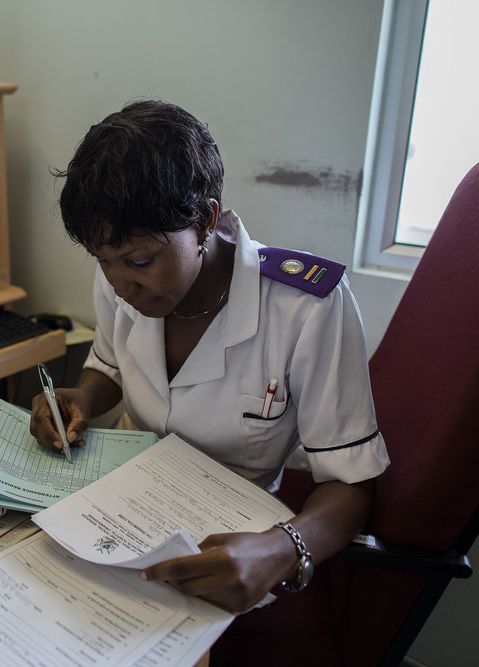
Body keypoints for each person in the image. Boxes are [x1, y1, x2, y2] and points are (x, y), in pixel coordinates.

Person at [29, 99, 390, 615]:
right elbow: (109, 366)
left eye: (139, 261)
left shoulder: (306, 307)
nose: (119, 283)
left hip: (223, 544)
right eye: (102, 261)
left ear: (204, 222)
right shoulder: (119, 268)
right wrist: (81, 397)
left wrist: (284, 547)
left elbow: (352, 482)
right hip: (116, 507)